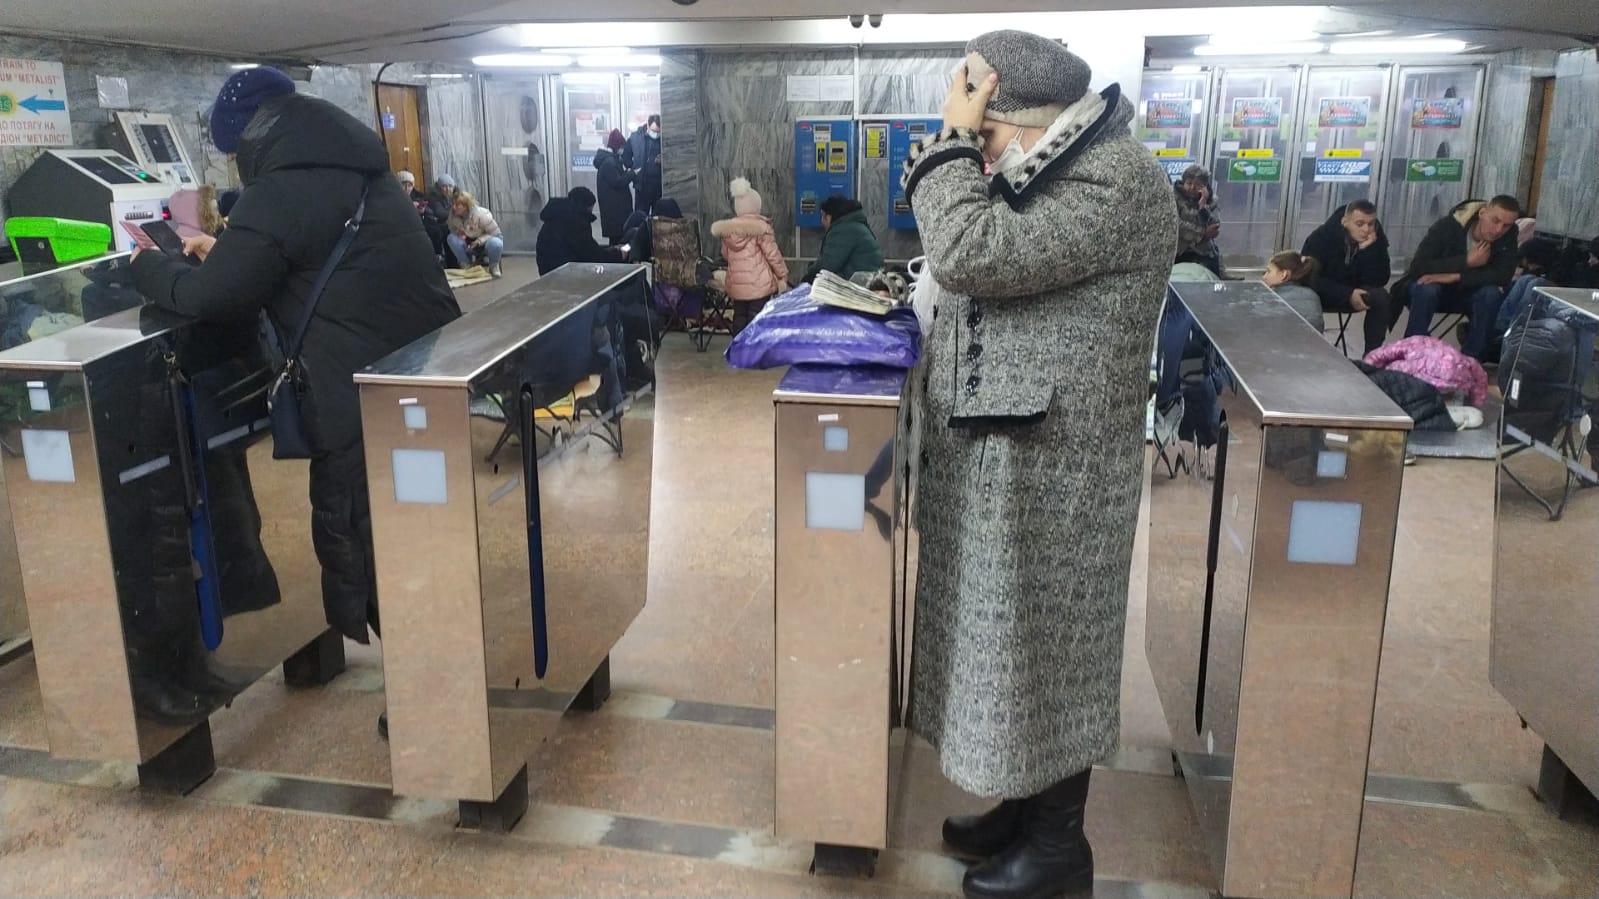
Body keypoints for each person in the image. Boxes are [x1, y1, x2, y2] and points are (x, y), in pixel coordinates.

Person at [900, 30, 1176, 899]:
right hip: (1018, 455)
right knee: (1007, 639)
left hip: (1062, 467)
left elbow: (971, 252)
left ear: (1024, 121)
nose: (977, 153)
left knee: (1050, 648)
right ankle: (1023, 811)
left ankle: (1059, 850)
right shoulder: (1058, 167)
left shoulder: (1117, 179)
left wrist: (946, 146)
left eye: (984, 135)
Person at [129, 67, 461, 663]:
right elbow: (302, 257)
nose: (234, 166)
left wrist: (151, 267)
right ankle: (436, 670)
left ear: (248, 137)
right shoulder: (361, 171)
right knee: (417, 529)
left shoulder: (277, 190)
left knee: (369, 541)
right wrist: (226, 250)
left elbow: (211, 298)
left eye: (232, 152)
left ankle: (432, 696)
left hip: (353, 399)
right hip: (421, 376)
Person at [1395, 195, 1521, 361]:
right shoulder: (1447, 226)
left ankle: (1472, 359)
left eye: (1506, 225)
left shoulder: (1508, 235)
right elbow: (1418, 267)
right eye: (1495, 221)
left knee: (1491, 294)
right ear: (1482, 213)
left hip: (1466, 291)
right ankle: (1412, 351)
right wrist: (1466, 261)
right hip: (1430, 290)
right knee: (1426, 289)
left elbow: (1502, 275)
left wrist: (1457, 276)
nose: (1499, 230)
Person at [1301, 199, 1392, 355]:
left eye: (1371, 224)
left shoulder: (1376, 240)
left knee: (1380, 296)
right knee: (1303, 295)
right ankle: (1309, 351)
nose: (1366, 229)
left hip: (1358, 293)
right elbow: (1309, 278)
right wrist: (1347, 294)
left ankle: (1373, 356)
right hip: (1325, 293)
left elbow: (1381, 279)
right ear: (1345, 222)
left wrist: (1367, 251)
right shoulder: (1321, 238)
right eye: (1360, 224)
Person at [710, 177, 789, 334]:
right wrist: (783, 275)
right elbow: (772, 255)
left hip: (737, 284)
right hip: (760, 284)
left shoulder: (728, 230)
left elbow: (725, 254)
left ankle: (740, 349)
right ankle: (753, 351)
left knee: (739, 316)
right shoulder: (761, 228)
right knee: (756, 317)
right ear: (756, 207)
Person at [536, 186, 623, 275]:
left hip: (548, 272)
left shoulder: (556, 216)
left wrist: (609, 250)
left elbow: (586, 248)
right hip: (565, 275)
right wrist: (618, 254)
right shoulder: (576, 222)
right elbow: (592, 256)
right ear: (585, 207)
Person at [801, 196, 884, 284]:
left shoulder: (842, 229)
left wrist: (809, 274)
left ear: (828, 217)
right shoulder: (854, 225)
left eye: (822, 216)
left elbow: (828, 264)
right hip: (867, 280)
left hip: (859, 285)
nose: (821, 220)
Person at [1173, 163, 1222, 275]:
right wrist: (1202, 234)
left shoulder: (1212, 201)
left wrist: (1203, 206)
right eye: (1189, 183)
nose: (1192, 188)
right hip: (1179, 250)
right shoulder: (1173, 197)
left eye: (1198, 185)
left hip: (1203, 251)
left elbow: (1214, 226)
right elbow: (1177, 224)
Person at [1262, 250, 1325, 331]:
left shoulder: (1274, 298)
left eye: (1268, 271)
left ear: (1283, 274)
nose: (1264, 276)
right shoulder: (1313, 295)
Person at [446, 191, 504, 278]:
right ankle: (467, 265)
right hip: (468, 240)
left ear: (466, 206)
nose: (454, 207)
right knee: (451, 238)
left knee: (496, 243)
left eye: (457, 205)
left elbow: (495, 233)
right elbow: (453, 230)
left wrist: (479, 241)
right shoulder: (453, 216)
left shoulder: (481, 214)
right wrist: (460, 234)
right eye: (453, 204)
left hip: (486, 240)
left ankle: (494, 266)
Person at [594, 129, 636, 246]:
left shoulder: (611, 161)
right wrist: (632, 174)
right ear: (617, 146)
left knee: (617, 243)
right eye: (622, 146)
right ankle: (617, 261)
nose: (623, 149)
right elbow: (618, 182)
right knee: (617, 244)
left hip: (615, 212)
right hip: (615, 214)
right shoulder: (609, 163)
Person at [622, 114, 663, 214]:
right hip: (642, 185)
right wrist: (634, 168)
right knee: (640, 216)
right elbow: (626, 157)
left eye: (658, 131)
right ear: (648, 126)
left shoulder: (663, 139)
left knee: (658, 217)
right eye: (653, 131)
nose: (656, 134)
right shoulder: (636, 138)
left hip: (659, 186)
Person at [421, 174, 456, 265]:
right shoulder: (433, 197)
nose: (448, 189)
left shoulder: (456, 196)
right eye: (444, 186)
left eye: (450, 186)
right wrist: (454, 211)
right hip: (436, 226)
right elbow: (440, 214)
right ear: (440, 188)